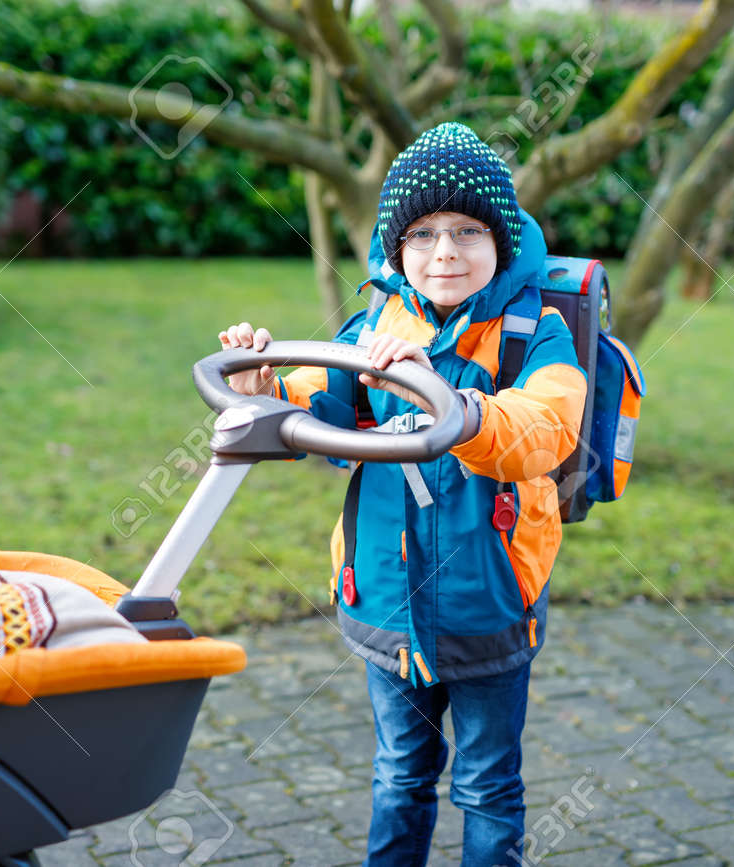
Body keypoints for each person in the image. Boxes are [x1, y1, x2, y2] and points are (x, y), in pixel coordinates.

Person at [218, 122, 588, 866]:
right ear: (395, 249)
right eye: (421, 234)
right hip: (384, 600)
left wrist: (452, 397)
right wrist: (266, 385)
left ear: (502, 240)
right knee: (400, 775)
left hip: (489, 602)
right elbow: (321, 400)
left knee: (486, 784)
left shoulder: (533, 334)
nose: (444, 251)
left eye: (465, 230)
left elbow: (546, 427)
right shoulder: (375, 326)